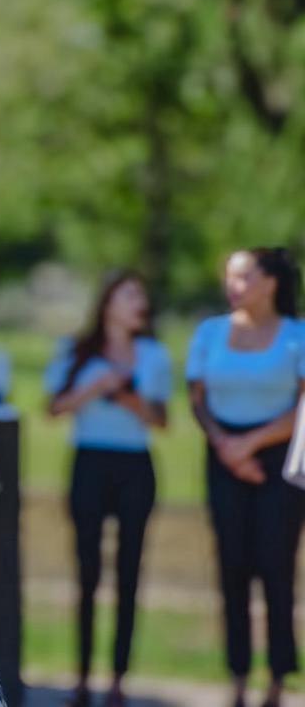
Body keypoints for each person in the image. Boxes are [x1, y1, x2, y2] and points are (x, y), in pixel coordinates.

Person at [45, 272, 171, 707]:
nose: (140, 303)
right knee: (87, 573)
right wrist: (94, 388)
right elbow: (54, 408)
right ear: (109, 304)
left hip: (135, 465)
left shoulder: (153, 355)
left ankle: (118, 678)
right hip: (89, 463)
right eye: (130, 294)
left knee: (130, 573)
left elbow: (160, 419)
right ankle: (81, 678)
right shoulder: (76, 352)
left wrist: (124, 393)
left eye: (142, 295)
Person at [187, 247, 305, 707]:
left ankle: (277, 678)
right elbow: (197, 397)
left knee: (276, 568)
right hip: (222, 456)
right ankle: (237, 676)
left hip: (280, 459)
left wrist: (251, 444)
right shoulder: (210, 332)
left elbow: (302, 406)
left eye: (243, 277)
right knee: (232, 566)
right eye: (230, 277)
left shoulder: (297, 334)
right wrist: (226, 446)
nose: (233, 286)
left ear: (270, 282)